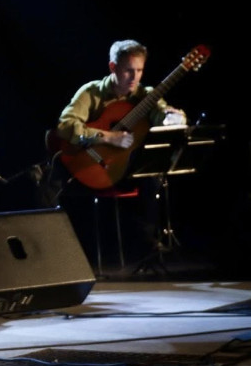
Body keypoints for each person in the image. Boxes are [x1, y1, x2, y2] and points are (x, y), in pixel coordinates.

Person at [45, 39, 187, 251]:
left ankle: (147, 244)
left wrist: (173, 119)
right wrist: (107, 137)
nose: (134, 77)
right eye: (128, 70)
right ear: (113, 67)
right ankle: (48, 242)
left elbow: (161, 112)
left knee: (152, 175)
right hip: (87, 165)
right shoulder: (92, 92)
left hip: (122, 169)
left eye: (139, 70)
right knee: (53, 172)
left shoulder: (146, 96)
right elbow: (65, 126)